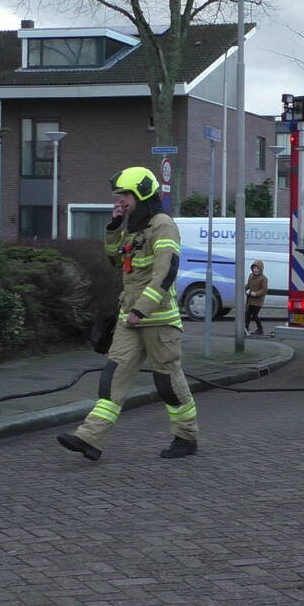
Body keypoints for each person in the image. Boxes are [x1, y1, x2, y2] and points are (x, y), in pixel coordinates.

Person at [56, 167, 198, 461]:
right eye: (119, 195)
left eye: (125, 195)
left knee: (167, 382)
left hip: (159, 322)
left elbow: (166, 272)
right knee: (113, 376)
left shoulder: (163, 225)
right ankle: (90, 438)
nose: (121, 200)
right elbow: (114, 260)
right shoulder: (133, 226)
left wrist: (140, 309)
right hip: (129, 319)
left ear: (142, 193)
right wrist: (114, 226)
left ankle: (185, 436)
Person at [244, 259, 267, 335]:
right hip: (250, 299)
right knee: (247, 314)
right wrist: (243, 289)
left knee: (254, 315)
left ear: (261, 269)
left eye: (257, 268)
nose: (255, 270)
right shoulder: (251, 276)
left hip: (258, 300)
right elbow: (248, 285)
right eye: (254, 268)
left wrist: (256, 293)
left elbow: (264, 290)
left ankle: (260, 329)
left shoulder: (263, 278)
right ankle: (246, 328)